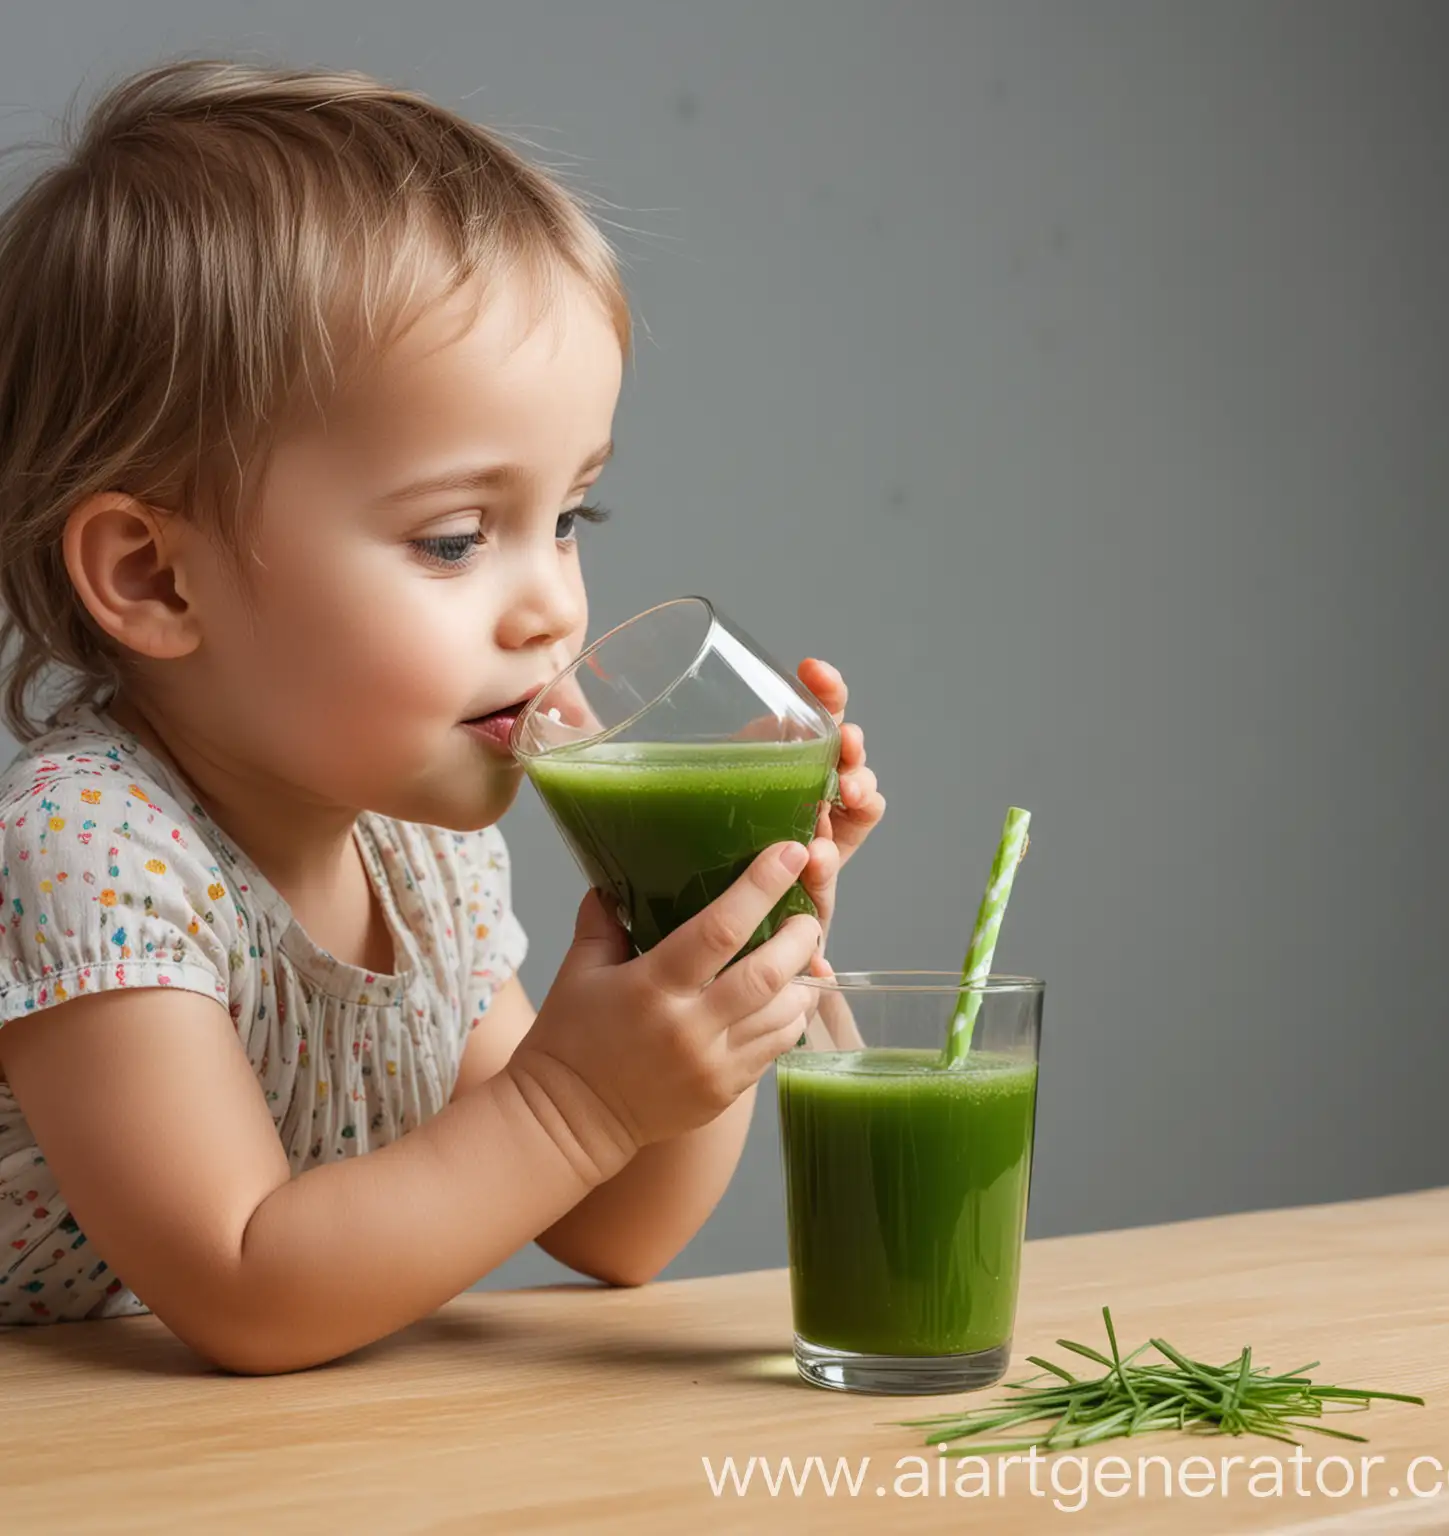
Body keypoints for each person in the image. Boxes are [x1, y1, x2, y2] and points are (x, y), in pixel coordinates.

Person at [0, 59, 884, 1373]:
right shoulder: (88, 842)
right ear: (154, 576)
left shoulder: (424, 857)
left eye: (570, 518)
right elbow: (249, 1288)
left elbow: (612, 1229)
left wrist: (713, 962)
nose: (554, 612)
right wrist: (576, 1097)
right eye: (459, 536)